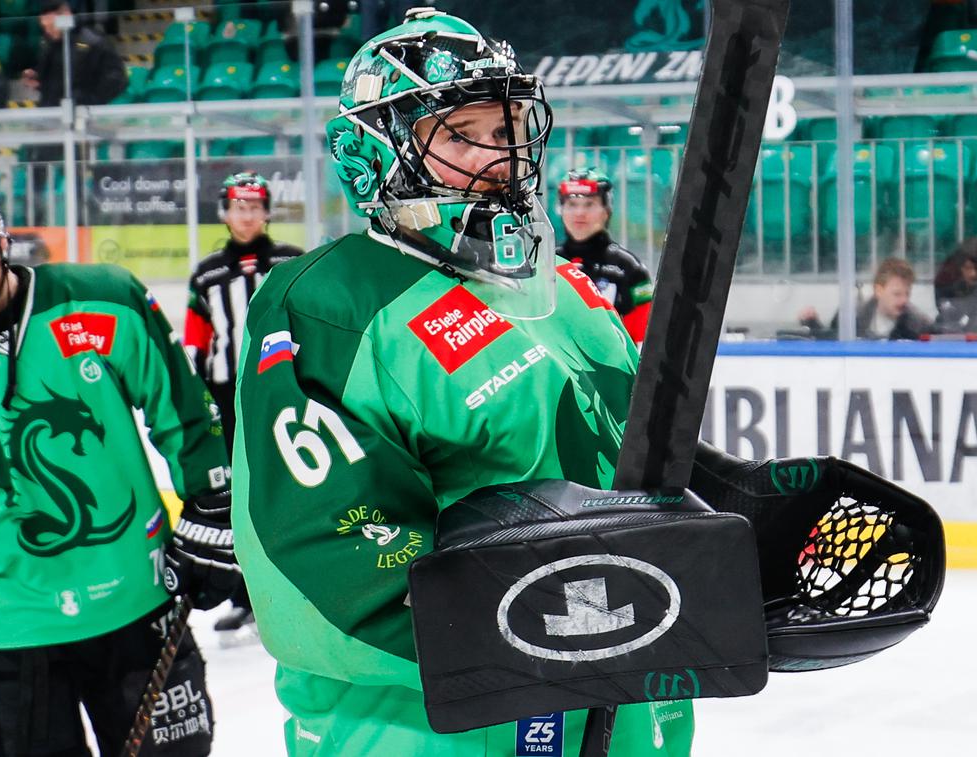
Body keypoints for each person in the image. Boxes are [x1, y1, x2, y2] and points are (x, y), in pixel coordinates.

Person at [231, 9, 694, 755]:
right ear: (373, 151)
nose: (498, 157)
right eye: (459, 134)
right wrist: (555, 633)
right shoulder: (331, 303)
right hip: (429, 725)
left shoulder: (567, 286)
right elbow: (328, 565)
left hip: (618, 695)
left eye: (506, 129)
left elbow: (633, 464)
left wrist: (721, 550)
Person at [0, 164, 241, 756]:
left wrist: (215, 505)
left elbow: (185, 412)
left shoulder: (105, 299)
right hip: (10, 636)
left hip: (138, 607)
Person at [183, 170, 302, 643]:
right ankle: (245, 594)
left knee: (291, 486)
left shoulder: (291, 263)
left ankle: (295, 584)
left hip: (281, 390)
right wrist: (196, 396)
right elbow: (197, 342)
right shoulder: (209, 273)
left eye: (255, 206)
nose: (247, 214)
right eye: (238, 206)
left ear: (267, 211)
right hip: (228, 398)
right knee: (243, 496)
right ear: (225, 213)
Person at [557, 166, 654, 343]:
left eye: (589, 204)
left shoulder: (629, 268)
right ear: (561, 210)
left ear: (606, 210)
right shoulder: (546, 263)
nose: (580, 213)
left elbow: (644, 339)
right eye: (572, 204)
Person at [21, 0, 125, 107]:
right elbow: (51, 81)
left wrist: (88, 100)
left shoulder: (93, 42)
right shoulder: (49, 44)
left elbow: (116, 79)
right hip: (52, 110)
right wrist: (36, 78)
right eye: (44, 27)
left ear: (65, 17)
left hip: (82, 112)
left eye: (51, 26)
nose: (47, 31)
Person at [798, 256, 932, 339]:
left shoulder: (919, 325)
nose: (904, 300)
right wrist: (812, 324)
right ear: (879, 291)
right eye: (897, 294)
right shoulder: (852, 316)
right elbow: (831, 343)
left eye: (907, 294)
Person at [932, 237, 977, 336]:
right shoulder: (950, 293)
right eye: (967, 268)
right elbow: (942, 324)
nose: (973, 274)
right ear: (960, 268)